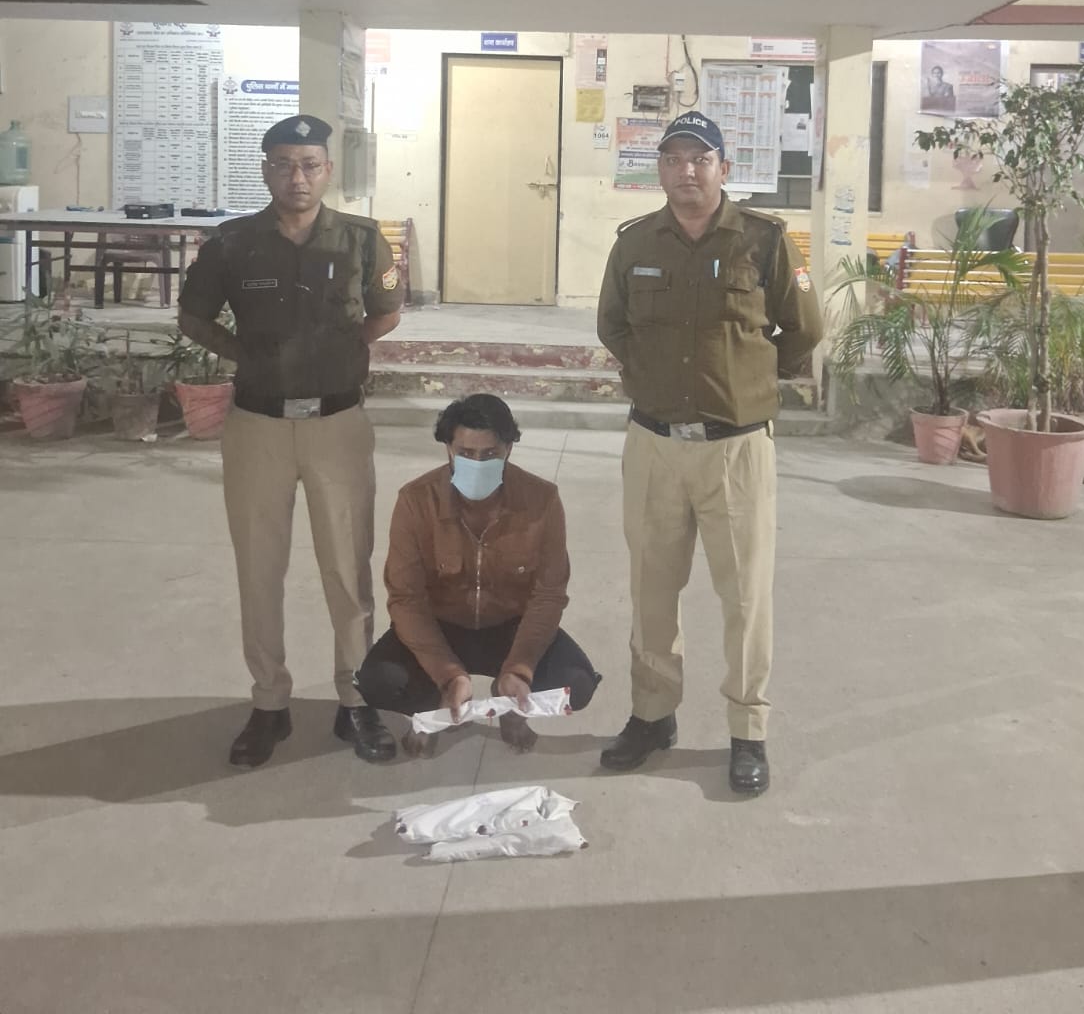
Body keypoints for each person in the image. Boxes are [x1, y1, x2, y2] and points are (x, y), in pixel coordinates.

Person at [596, 110, 824, 795]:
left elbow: (803, 329)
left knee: (745, 597)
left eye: (700, 159)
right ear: (660, 169)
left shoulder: (764, 240)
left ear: (724, 168)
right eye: (673, 159)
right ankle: (652, 715)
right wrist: (655, 378)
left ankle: (748, 730)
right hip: (654, 445)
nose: (686, 171)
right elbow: (613, 326)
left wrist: (748, 381)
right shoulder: (635, 243)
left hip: (736, 449)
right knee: (651, 590)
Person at [178, 113, 402, 769]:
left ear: (327, 171)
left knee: (348, 569)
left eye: (308, 165)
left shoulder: (363, 240)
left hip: (337, 425)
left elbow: (386, 312)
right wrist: (247, 354)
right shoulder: (233, 243)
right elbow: (193, 317)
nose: (296, 177)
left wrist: (341, 351)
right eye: (282, 165)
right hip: (258, 427)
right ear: (265, 171)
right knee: (259, 568)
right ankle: (269, 703)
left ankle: (355, 699)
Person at [355, 393, 600, 753]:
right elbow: (406, 599)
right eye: (466, 453)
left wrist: (519, 668)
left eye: (490, 454)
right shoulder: (416, 500)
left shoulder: (541, 500)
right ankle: (437, 708)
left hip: (509, 627)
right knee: (380, 681)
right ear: (448, 449)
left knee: (575, 684)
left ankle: (510, 701)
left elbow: (548, 595)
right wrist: (447, 673)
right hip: (442, 626)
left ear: (509, 449)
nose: (478, 463)